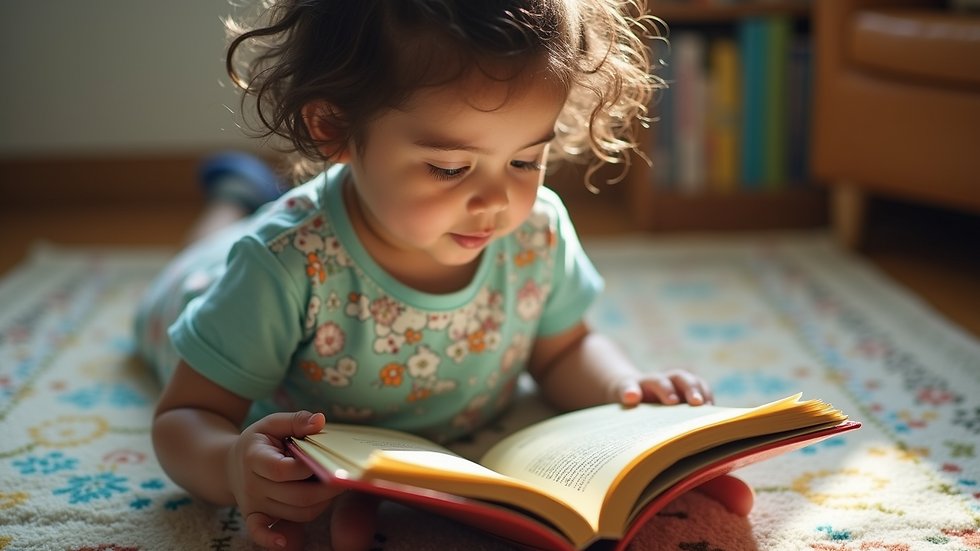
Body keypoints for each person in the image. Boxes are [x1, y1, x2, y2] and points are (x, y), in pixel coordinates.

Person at [135, 1, 755, 550]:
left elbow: (565, 349)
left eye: (525, 159)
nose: (496, 201)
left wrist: (627, 394)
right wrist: (232, 467)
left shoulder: (534, 230)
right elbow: (185, 417)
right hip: (198, 291)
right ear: (333, 128)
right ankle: (231, 195)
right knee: (207, 250)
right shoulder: (280, 264)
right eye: (451, 168)